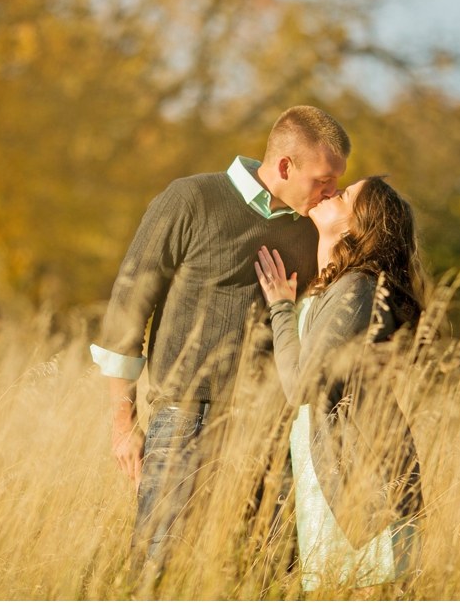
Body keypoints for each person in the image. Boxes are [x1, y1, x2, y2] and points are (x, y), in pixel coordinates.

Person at [90, 105, 350, 589]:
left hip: (271, 430)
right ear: (286, 166)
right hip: (186, 416)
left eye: (337, 182)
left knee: (268, 575)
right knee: (157, 570)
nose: (331, 191)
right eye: (324, 179)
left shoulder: (311, 228)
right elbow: (128, 308)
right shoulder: (190, 198)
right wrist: (123, 423)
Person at [254, 175, 425, 594]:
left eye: (345, 194)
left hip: (360, 491)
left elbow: (299, 385)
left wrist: (279, 307)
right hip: (330, 479)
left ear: (355, 226)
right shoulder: (336, 286)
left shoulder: (358, 289)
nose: (332, 191)